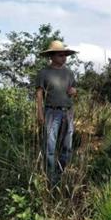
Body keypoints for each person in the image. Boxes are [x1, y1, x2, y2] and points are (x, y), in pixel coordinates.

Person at [36, 40, 77, 185]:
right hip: (51, 113)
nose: (64, 58)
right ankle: (51, 179)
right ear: (52, 56)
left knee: (67, 146)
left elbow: (73, 89)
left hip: (68, 112)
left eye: (65, 55)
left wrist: (74, 91)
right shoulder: (44, 73)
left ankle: (60, 175)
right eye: (60, 55)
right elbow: (39, 94)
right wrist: (40, 114)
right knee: (50, 146)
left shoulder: (69, 72)